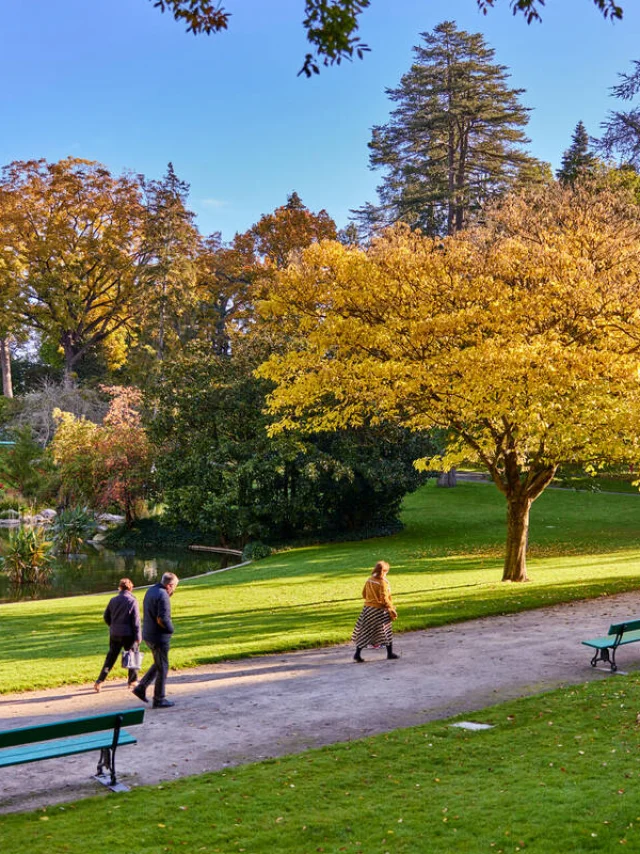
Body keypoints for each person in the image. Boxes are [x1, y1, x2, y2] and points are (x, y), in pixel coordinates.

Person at [132, 571, 179, 708]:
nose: (174, 590)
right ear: (169, 585)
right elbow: (162, 619)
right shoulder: (163, 595)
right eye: (175, 586)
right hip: (159, 636)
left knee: (158, 663)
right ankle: (159, 698)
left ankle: (141, 687)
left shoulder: (151, 590)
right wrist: (171, 629)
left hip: (148, 633)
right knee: (163, 666)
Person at [94, 577, 142, 692]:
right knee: (133, 656)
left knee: (110, 658)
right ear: (131, 588)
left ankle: (100, 681)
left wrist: (113, 625)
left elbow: (106, 616)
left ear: (120, 588)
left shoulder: (113, 600)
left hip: (115, 633)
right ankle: (132, 681)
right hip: (129, 634)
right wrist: (138, 636)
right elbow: (136, 621)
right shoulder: (132, 600)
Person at [351, 560, 399, 663]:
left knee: (365, 631)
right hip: (379, 610)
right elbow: (385, 598)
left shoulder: (369, 580)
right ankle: (390, 653)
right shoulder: (383, 583)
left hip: (367, 609)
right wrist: (391, 608)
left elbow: (364, 594)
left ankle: (357, 654)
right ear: (384, 571)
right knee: (386, 631)